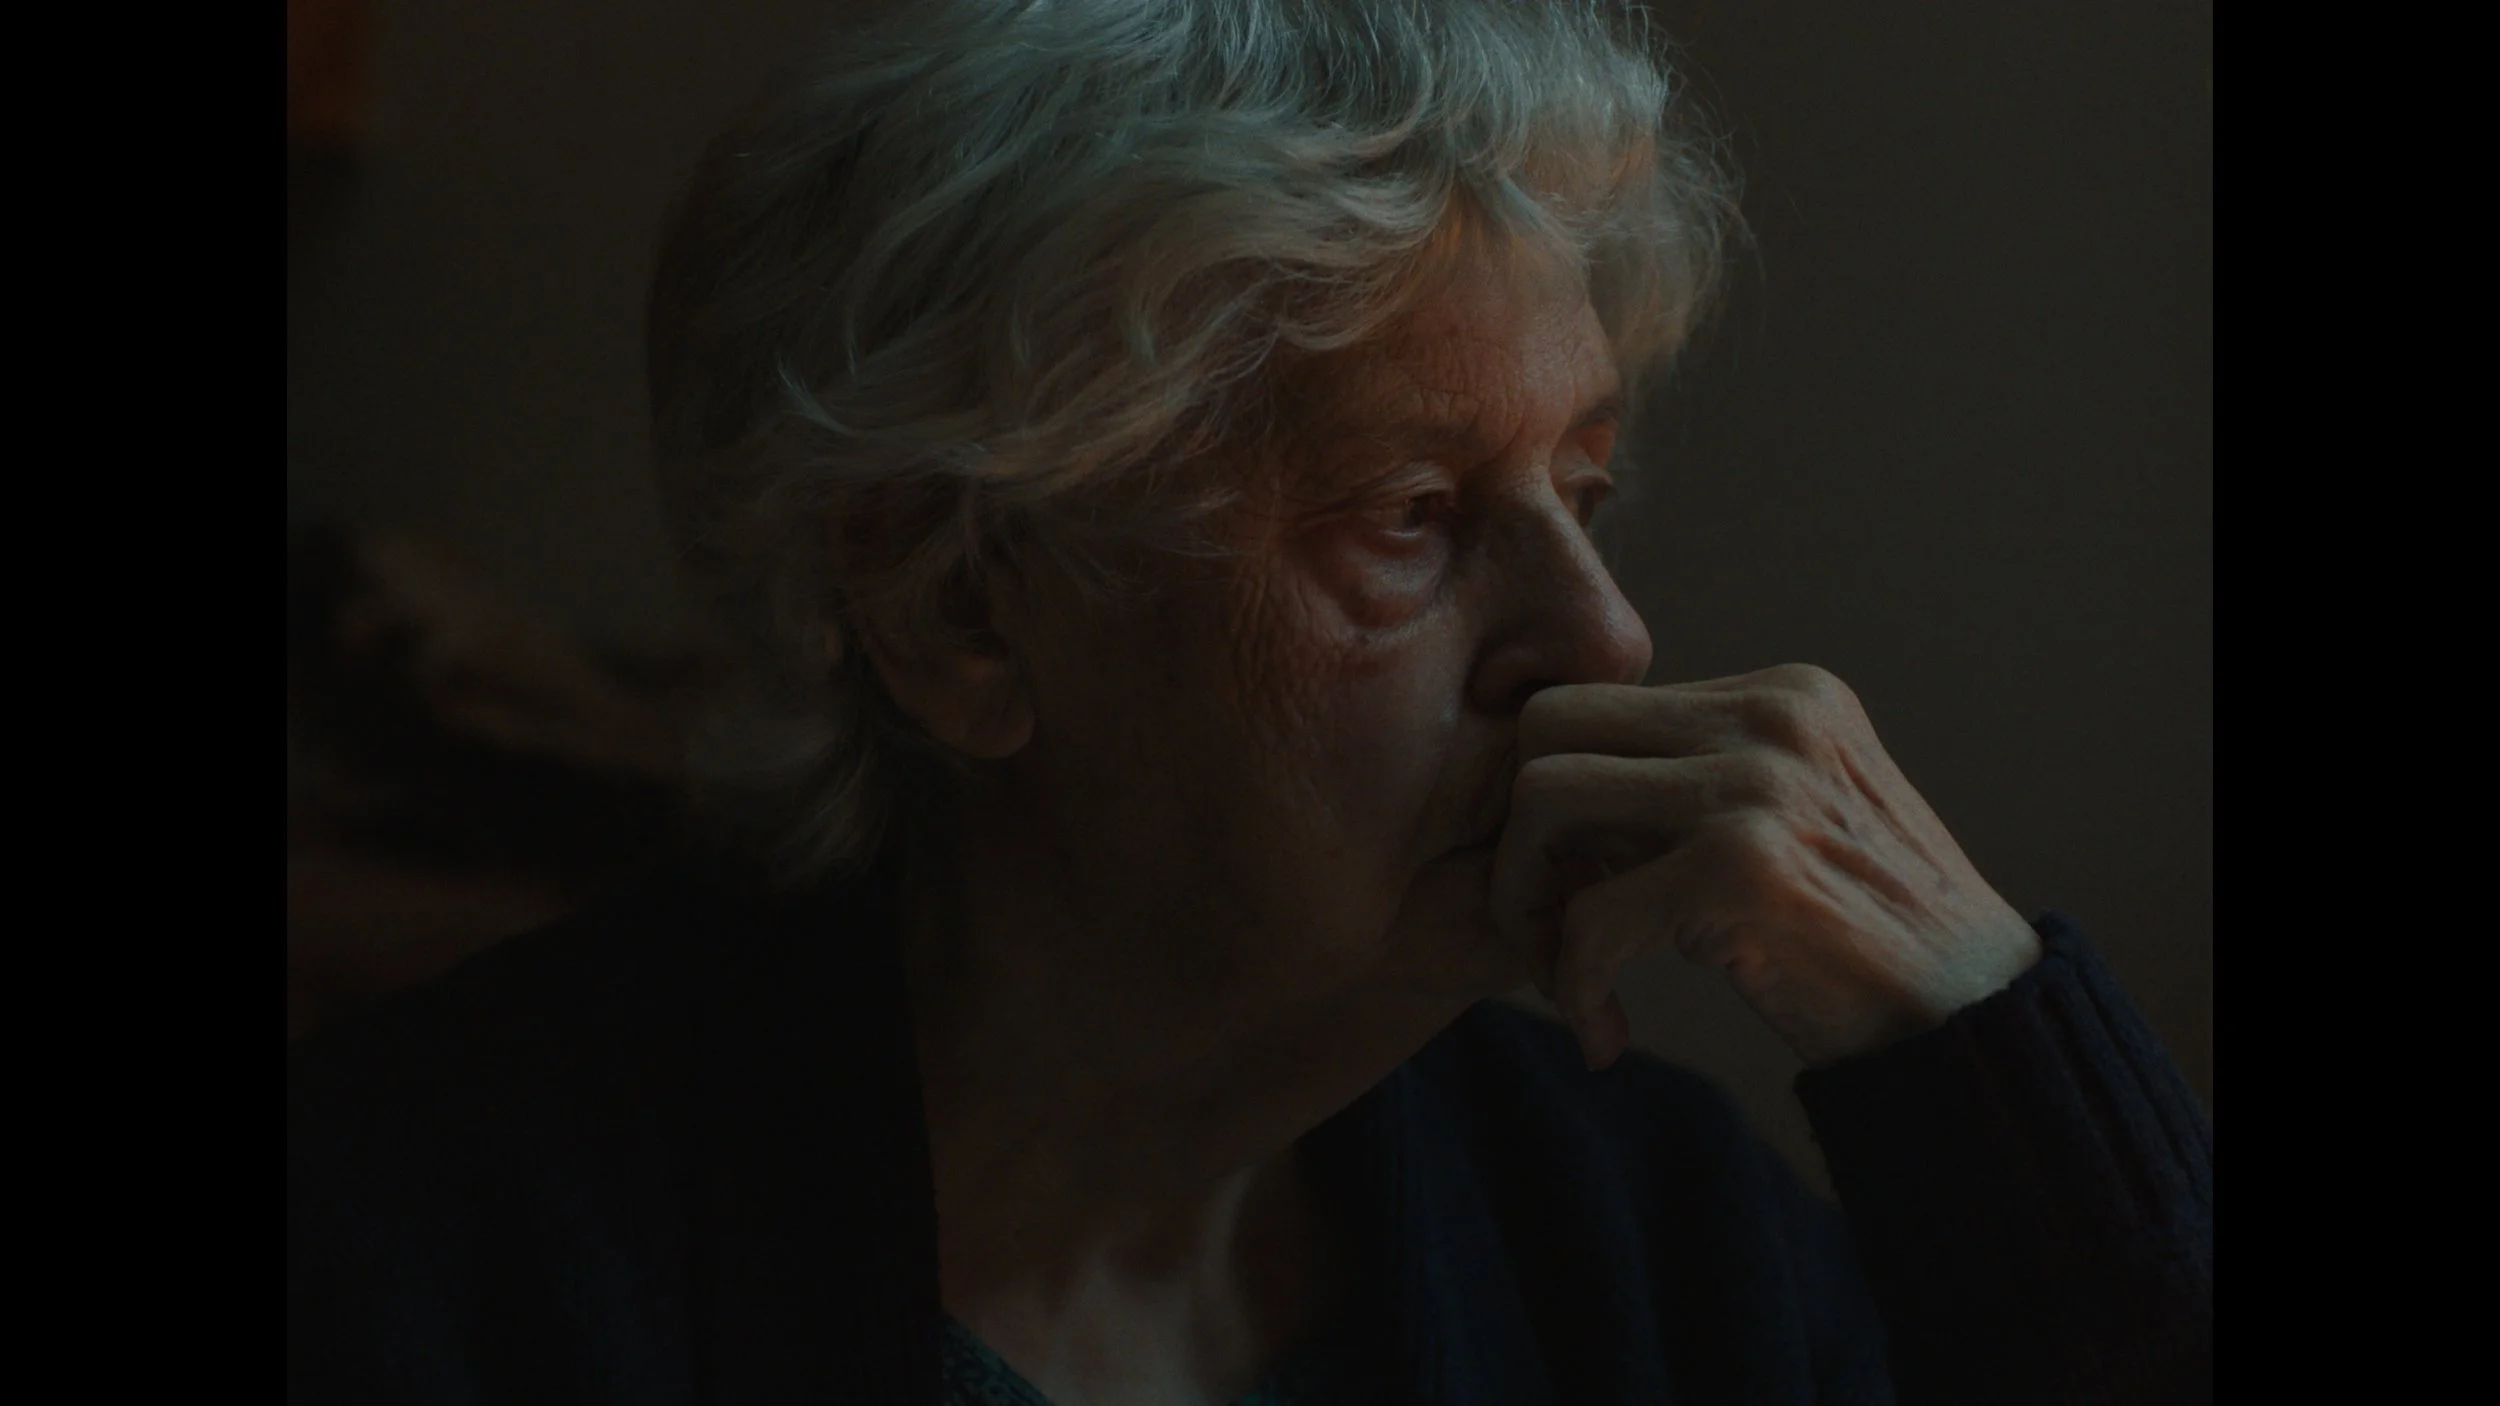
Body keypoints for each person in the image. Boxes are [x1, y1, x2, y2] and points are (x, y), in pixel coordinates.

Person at [286, 2, 2213, 1402]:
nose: (1605, 638)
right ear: (958, 608)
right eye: (1410, 514)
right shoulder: (430, 1258)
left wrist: (1990, 1055)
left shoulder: (1649, 1237)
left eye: (1585, 487)